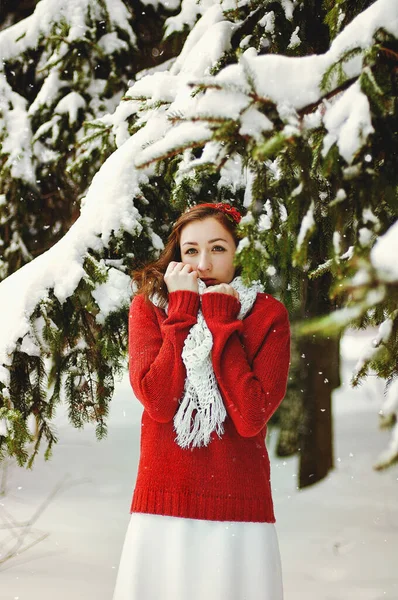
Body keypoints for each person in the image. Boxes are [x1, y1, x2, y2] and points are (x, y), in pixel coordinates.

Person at [112, 202, 291, 600]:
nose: (204, 263)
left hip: (239, 509)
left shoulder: (266, 315)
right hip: (162, 502)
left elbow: (250, 416)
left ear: (239, 252)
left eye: (218, 248)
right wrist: (182, 310)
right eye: (191, 250)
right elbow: (158, 402)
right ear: (177, 255)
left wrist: (222, 321)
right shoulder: (150, 308)